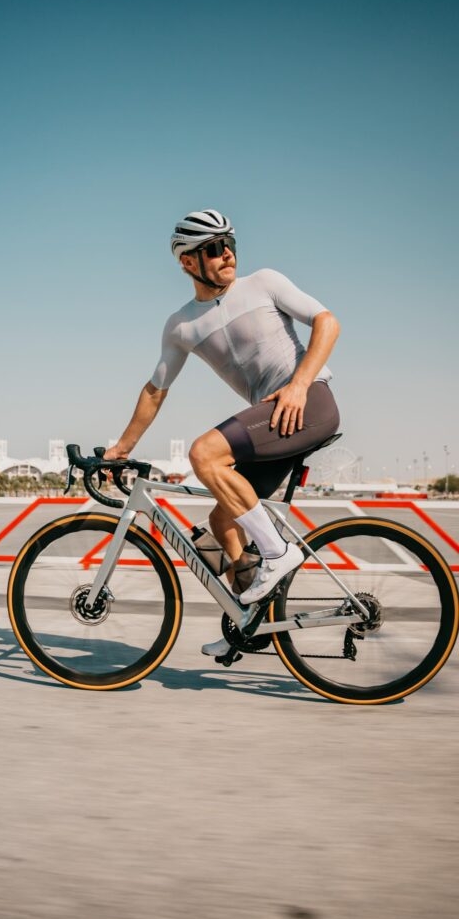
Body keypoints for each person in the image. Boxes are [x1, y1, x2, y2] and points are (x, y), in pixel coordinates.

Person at [104, 209, 340, 657]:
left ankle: (277, 552)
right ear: (188, 263)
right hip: (274, 422)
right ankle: (250, 622)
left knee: (205, 453)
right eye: (213, 248)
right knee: (220, 522)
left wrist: (299, 385)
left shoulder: (264, 283)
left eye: (229, 242)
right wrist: (120, 449)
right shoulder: (182, 326)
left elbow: (328, 322)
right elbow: (156, 390)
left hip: (309, 404)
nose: (226, 252)